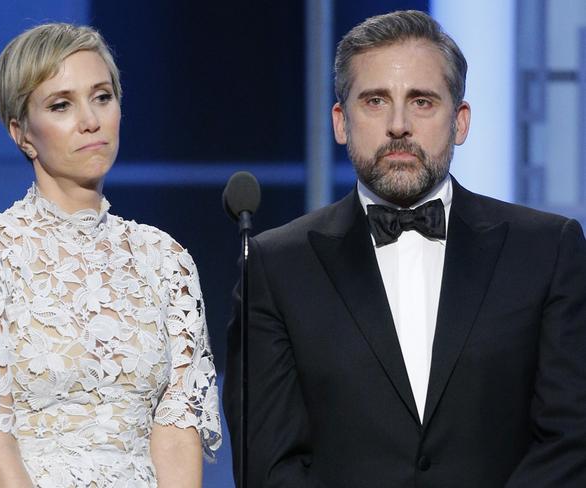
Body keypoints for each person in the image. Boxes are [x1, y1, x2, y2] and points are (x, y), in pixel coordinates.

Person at [223, 9, 586, 488]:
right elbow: (267, 462)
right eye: (375, 101)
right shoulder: (275, 266)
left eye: (422, 102)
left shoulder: (547, 249)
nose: (398, 125)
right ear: (341, 121)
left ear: (460, 121)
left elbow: (571, 437)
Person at [0, 23, 221, 488]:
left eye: (102, 97)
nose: (90, 120)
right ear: (22, 133)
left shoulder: (165, 259)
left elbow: (176, 434)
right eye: (61, 105)